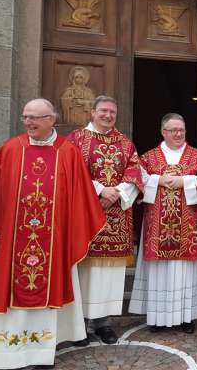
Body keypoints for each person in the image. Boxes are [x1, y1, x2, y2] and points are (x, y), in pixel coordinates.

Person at [0, 98, 105, 369]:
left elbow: (82, 198)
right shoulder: (11, 149)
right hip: (14, 240)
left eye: (34, 118)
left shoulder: (68, 152)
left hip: (53, 241)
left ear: (51, 119)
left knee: (49, 293)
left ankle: (41, 352)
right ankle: (8, 354)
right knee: (13, 295)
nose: (28, 123)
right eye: (25, 117)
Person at [66, 95, 142, 345]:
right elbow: (71, 171)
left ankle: (104, 322)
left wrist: (117, 192)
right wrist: (100, 190)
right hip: (87, 215)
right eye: (103, 111)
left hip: (117, 217)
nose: (108, 115)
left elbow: (134, 171)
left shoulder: (125, 142)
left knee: (109, 275)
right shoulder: (76, 140)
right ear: (92, 112)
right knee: (85, 272)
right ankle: (81, 324)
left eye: (112, 111)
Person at [129, 113, 197, 333]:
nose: (178, 134)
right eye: (173, 130)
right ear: (163, 132)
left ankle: (187, 317)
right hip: (158, 229)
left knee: (185, 272)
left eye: (181, 130)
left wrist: (183, 180)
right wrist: (158, 180)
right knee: (160, 274)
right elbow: (138, 179)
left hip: (188, 228)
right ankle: (157, 318)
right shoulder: (148, 158)